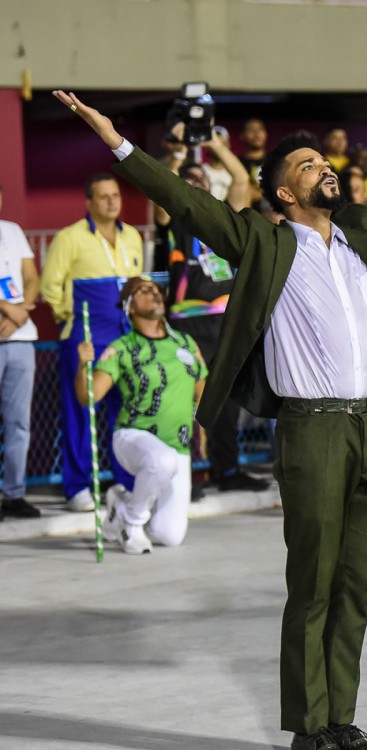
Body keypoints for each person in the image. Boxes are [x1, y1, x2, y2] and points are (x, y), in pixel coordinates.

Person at [56, 89, 367, 750]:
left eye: (325, 160)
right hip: (312, 430)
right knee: (312, 585)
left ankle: (341, 719)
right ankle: (308, 728)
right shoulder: (264, 241)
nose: (325, 168)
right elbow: (189, 203)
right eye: (310, 164)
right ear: (286, 193)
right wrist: (118, 142)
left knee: (356, 585)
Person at [165, 149, 269, 494]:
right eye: (188, 180)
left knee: (225, 401)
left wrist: (210, 137)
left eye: (201, 178)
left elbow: (241, 179)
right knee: (185, 399)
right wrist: (176, 159)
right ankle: (187, 474)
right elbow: (161, 191)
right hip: (188, 324)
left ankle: (227, 471)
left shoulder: (225, 217)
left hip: (226, 322)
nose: (197, 183)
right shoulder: (176, 217)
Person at [77, 277, 207, 554]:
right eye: (143, 292)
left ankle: (120, 505)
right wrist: (82, 366)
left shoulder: (185, 342)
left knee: (169, 536)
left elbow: (203, 393)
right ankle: (131, 523)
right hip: (133, 437)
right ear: (129, 307)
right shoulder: (121, 348)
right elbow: (89, 396)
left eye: (156, 290)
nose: (154, 294)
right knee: (162, 460)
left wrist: (204, 432)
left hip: (179, 446)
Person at [41, 173, 141, 511]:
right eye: (103, 196)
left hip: (125, 339)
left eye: (116, 195)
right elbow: (50, 287)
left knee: (125, 412)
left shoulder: (133, 237)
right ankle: (78, 487)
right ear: (89, 202)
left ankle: (125, 483)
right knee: (81, 411)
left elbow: (137, 288)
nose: (112, 201)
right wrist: (68, 320)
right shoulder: (69, 238)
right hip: (85, 339)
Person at [0, 185, 41, 520]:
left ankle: (13, 494)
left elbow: (31, 279)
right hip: (12, 323)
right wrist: (7, 307)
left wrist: (19, 315)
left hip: (21, 339)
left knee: (19, 423)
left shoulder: (12, 231)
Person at [239, 118, 269, 205]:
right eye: (251, 130)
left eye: (260, 129)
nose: (257, 134)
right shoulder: (237, 164)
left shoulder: (275, 161)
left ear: (266, 134)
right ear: (242, 135)